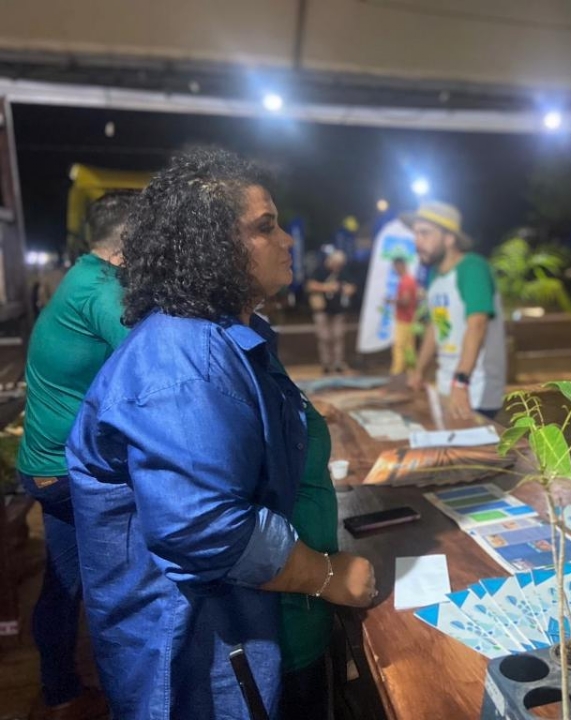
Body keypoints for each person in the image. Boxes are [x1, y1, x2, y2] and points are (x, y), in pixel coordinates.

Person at [66, 148, 376, 719]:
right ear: (210, 245)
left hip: (270, 629)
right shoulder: (183, 361)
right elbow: (203, 528)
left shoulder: (232, 331)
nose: (287, 240)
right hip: (212, 662)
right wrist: (329, 576)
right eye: (265, 227)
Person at [17, 191, 139, 720]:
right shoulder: (103, 293)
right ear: (131, 243)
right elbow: (153, 361)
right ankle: (128, 698)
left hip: (47, 464)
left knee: (65, 581)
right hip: (69, 472)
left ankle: (59, 687)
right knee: (124, 582)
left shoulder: (84, 276)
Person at [405, 201, 507, 420]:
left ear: (449, 238)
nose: (417, 242)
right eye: (415, 234)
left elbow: (477, 324)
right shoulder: (435, 274)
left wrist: (461, 382)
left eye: (425, 234)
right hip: (447, 385)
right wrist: (419, 371)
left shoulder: (472, 268)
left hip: (476, 389)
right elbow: (435, 325)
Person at [306, 250, 356, 373]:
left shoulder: (342, 272)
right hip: (322, 309)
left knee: (338, 337)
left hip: (338, 310)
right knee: (324, 338)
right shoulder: (319, 270)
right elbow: (310, 285)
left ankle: (338, 363)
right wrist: (327, 287)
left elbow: (352, 286)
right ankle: (326, 364)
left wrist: (349, 289)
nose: (337, 266)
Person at [389, 254, 419, 375]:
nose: (394, 270)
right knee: (409, 349)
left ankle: (397, 373)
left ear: (400, 266)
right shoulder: (410, 280)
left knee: (399, 347)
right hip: (410, 319)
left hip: (404, 319)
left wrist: (392, 301)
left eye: (395, 267)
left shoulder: (405, 281)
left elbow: (405, 301)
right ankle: (411, 374)